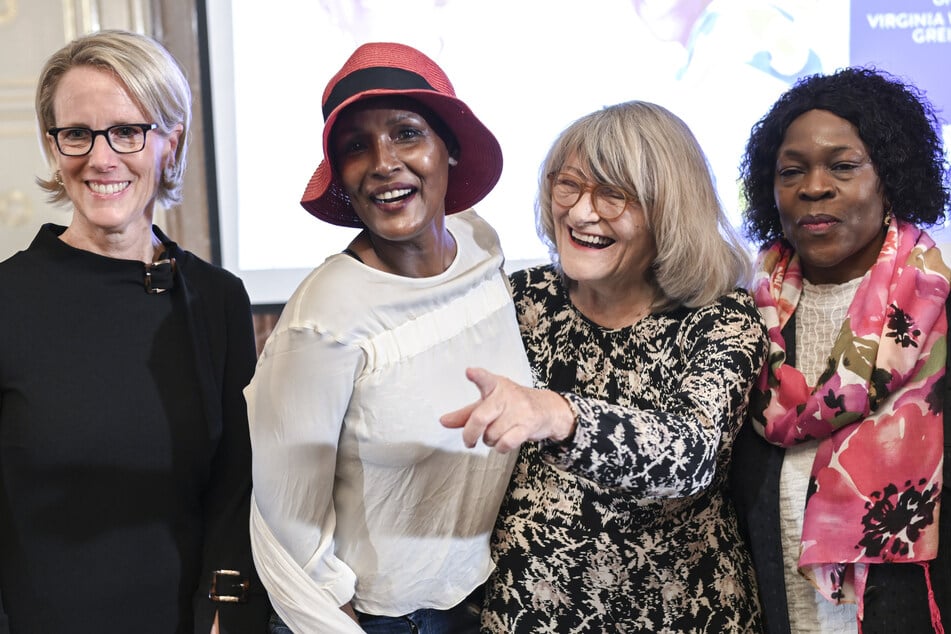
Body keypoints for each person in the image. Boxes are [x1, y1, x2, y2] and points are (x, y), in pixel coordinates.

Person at [440, 100, 768, 632]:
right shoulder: (520, 301)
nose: (581, 212)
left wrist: (559, 416)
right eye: (567, 185)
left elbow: (692, 457)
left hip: (682, 615)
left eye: (614, 194)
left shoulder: (719, 317)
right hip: (527, 616)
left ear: (669, 209)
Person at [245, 42, 533, 634]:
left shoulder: (481, 245)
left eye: (406, 133)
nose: (383, 162)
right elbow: (287, 519)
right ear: (344, 178)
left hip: (483, 594)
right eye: (356, 146)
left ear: (448, 149)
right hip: (380, 619)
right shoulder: (321, 319)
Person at [0, 30, 269, 633]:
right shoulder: (6, 301)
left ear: (169, 144)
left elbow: (236, 487)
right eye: (77, 133)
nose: (101, 158)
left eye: (127, 131)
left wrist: (225, 615)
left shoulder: (217, 299)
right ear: (53, 147)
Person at [730, 67, 951, 633]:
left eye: (843, 166)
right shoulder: (737, 321)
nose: (814, 187)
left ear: (892, 178)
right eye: (792, 171)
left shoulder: (942, 314)